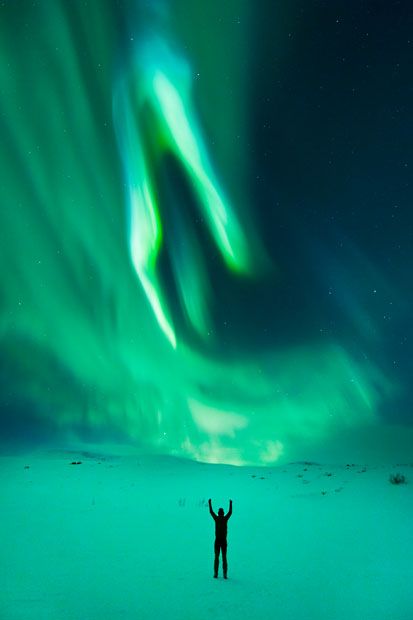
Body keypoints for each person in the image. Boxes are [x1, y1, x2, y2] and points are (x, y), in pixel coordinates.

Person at [208, 498, 232, 579]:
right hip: (222, 541)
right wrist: (230, 504)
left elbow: (211, 512)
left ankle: (216, 573)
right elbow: (230, 512)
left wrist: (210, 503)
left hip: (218, 541)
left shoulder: (217, 518)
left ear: (218, 513)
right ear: (222, 513)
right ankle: (224, 574)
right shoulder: (224, 519)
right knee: (223, 557)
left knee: (217, 558)